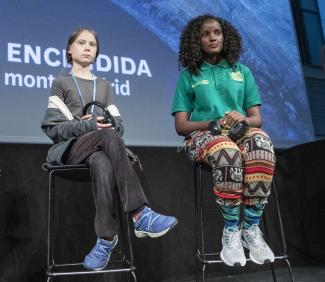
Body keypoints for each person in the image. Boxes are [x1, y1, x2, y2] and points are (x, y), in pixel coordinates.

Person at [41, 27, 177, 271]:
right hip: (71, 150)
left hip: (99, 150)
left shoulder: (103, 86)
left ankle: (105, 239)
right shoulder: (61, 83)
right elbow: (53, 129)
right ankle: (140, 214)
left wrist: (106, 123)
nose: (87, 48)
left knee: (103, 160)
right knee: (107, 136)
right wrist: (88, 125)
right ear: (69, 50)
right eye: (81, 43)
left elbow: (118, 127)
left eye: (92, 44)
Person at [172, 15, 275, 267]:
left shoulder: (242, 72)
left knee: (262, 145)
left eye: (217, 32)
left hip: (241, 132)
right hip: (203, 137)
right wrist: (211, 124)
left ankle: (251, 229)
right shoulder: (189, 76)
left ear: (225, 35)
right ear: (197, 41)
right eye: (206, 34)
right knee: (227, 152)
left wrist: (243, 119)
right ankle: (231, 232)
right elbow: (181, 125)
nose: (213, 37)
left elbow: (256, 119)